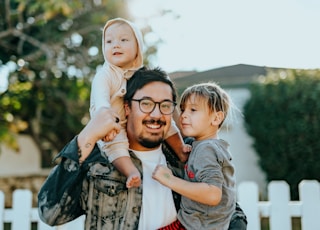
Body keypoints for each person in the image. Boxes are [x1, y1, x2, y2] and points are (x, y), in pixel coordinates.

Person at [37, 67, 247, 229]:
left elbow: (229, 208)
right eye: (146, 103)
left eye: (165, 105)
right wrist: (87, 135)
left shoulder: (185, 153)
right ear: (127, 108)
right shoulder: (98, 160)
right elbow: (51, 213)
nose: (156, 115)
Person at [89, 18, 190, 188]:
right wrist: (107, 125)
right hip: (109, 125)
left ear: (138, 47)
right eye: (109, 41)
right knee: (116, 146)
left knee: (166, 120)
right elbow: (101, 103)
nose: (116, 45)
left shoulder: (141, 76)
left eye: (123, 40)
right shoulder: (105, 75)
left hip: (133, 122)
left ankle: (181, 149)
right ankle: (131, 172)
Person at [153, 82, 237, 229]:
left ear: (216, 118)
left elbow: (213, 194)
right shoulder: (208, 146)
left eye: (193, 110)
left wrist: (168, 179)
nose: (184, 115)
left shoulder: (206, 149)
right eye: (183, 109)